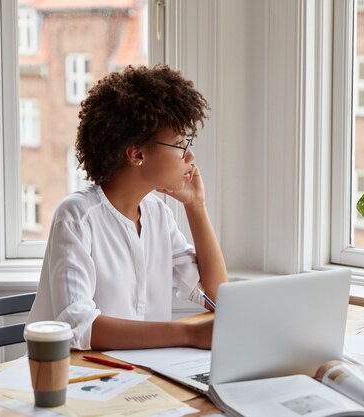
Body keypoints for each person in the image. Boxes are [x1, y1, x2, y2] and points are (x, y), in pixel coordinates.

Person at [27, 65, 228, 351]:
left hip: (145, 376)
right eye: (180, 144)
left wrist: (196, 206)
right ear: (137, 154)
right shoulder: (77, 218)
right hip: (82, 382)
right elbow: (79, 326)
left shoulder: (158, 214)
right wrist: (187, 334)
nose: (190, 154)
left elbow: (217, 297)